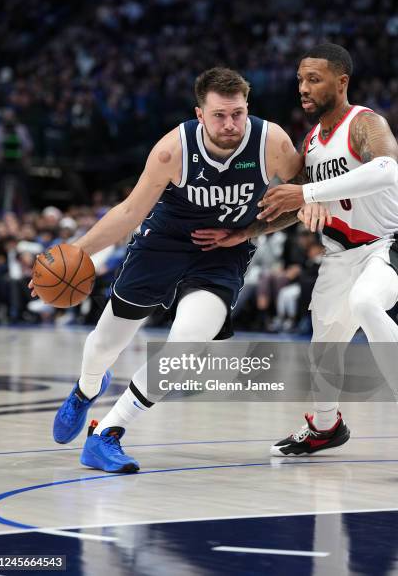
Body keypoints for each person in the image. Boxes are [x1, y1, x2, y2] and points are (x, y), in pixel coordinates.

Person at [29, 67, 323, 473]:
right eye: (219, 115)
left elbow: (299, 196)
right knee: (104, 344)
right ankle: (84, 389)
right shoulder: (173, 149)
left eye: (237, 113)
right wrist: (72, 251)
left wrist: (250, 231)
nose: (230, 124)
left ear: (247, 107)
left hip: (223, 251)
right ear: (199, 114)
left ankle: (106, 434)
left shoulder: (271, 142)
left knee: (187, 344)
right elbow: (130, 212)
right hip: (162, 244)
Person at [198, 44, 398, 456]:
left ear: (342, 82)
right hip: (341, 254)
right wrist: (247, 232)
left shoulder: (364, 124)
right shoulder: (311, 142)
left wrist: (307, 190)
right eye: (300, 80)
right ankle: (326, 427)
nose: (303, 88)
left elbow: (387, 169)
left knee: (366, 303)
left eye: (314, 79)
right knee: (324, 343)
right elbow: (292, 204)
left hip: (386, 244)